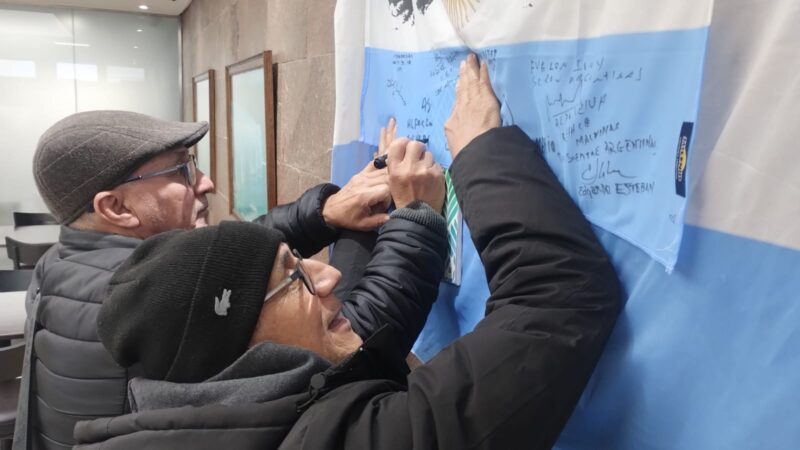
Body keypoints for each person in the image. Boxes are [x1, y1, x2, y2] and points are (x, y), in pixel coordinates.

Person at [73, 54, 622, 449]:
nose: (328, 277)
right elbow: (560, 301)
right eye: (294, 276)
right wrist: (482, 152)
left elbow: (347, 356)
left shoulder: (210, 402)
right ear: (244, 353)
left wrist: (371, 215)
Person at [13, 110, 394, 450]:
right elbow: (341, 344)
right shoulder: (124, 307)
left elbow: (231, 262)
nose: (207, 183)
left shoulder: (61, 262)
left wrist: (322, 214)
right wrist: (406, 216)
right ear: (116, 207)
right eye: (182, 170)